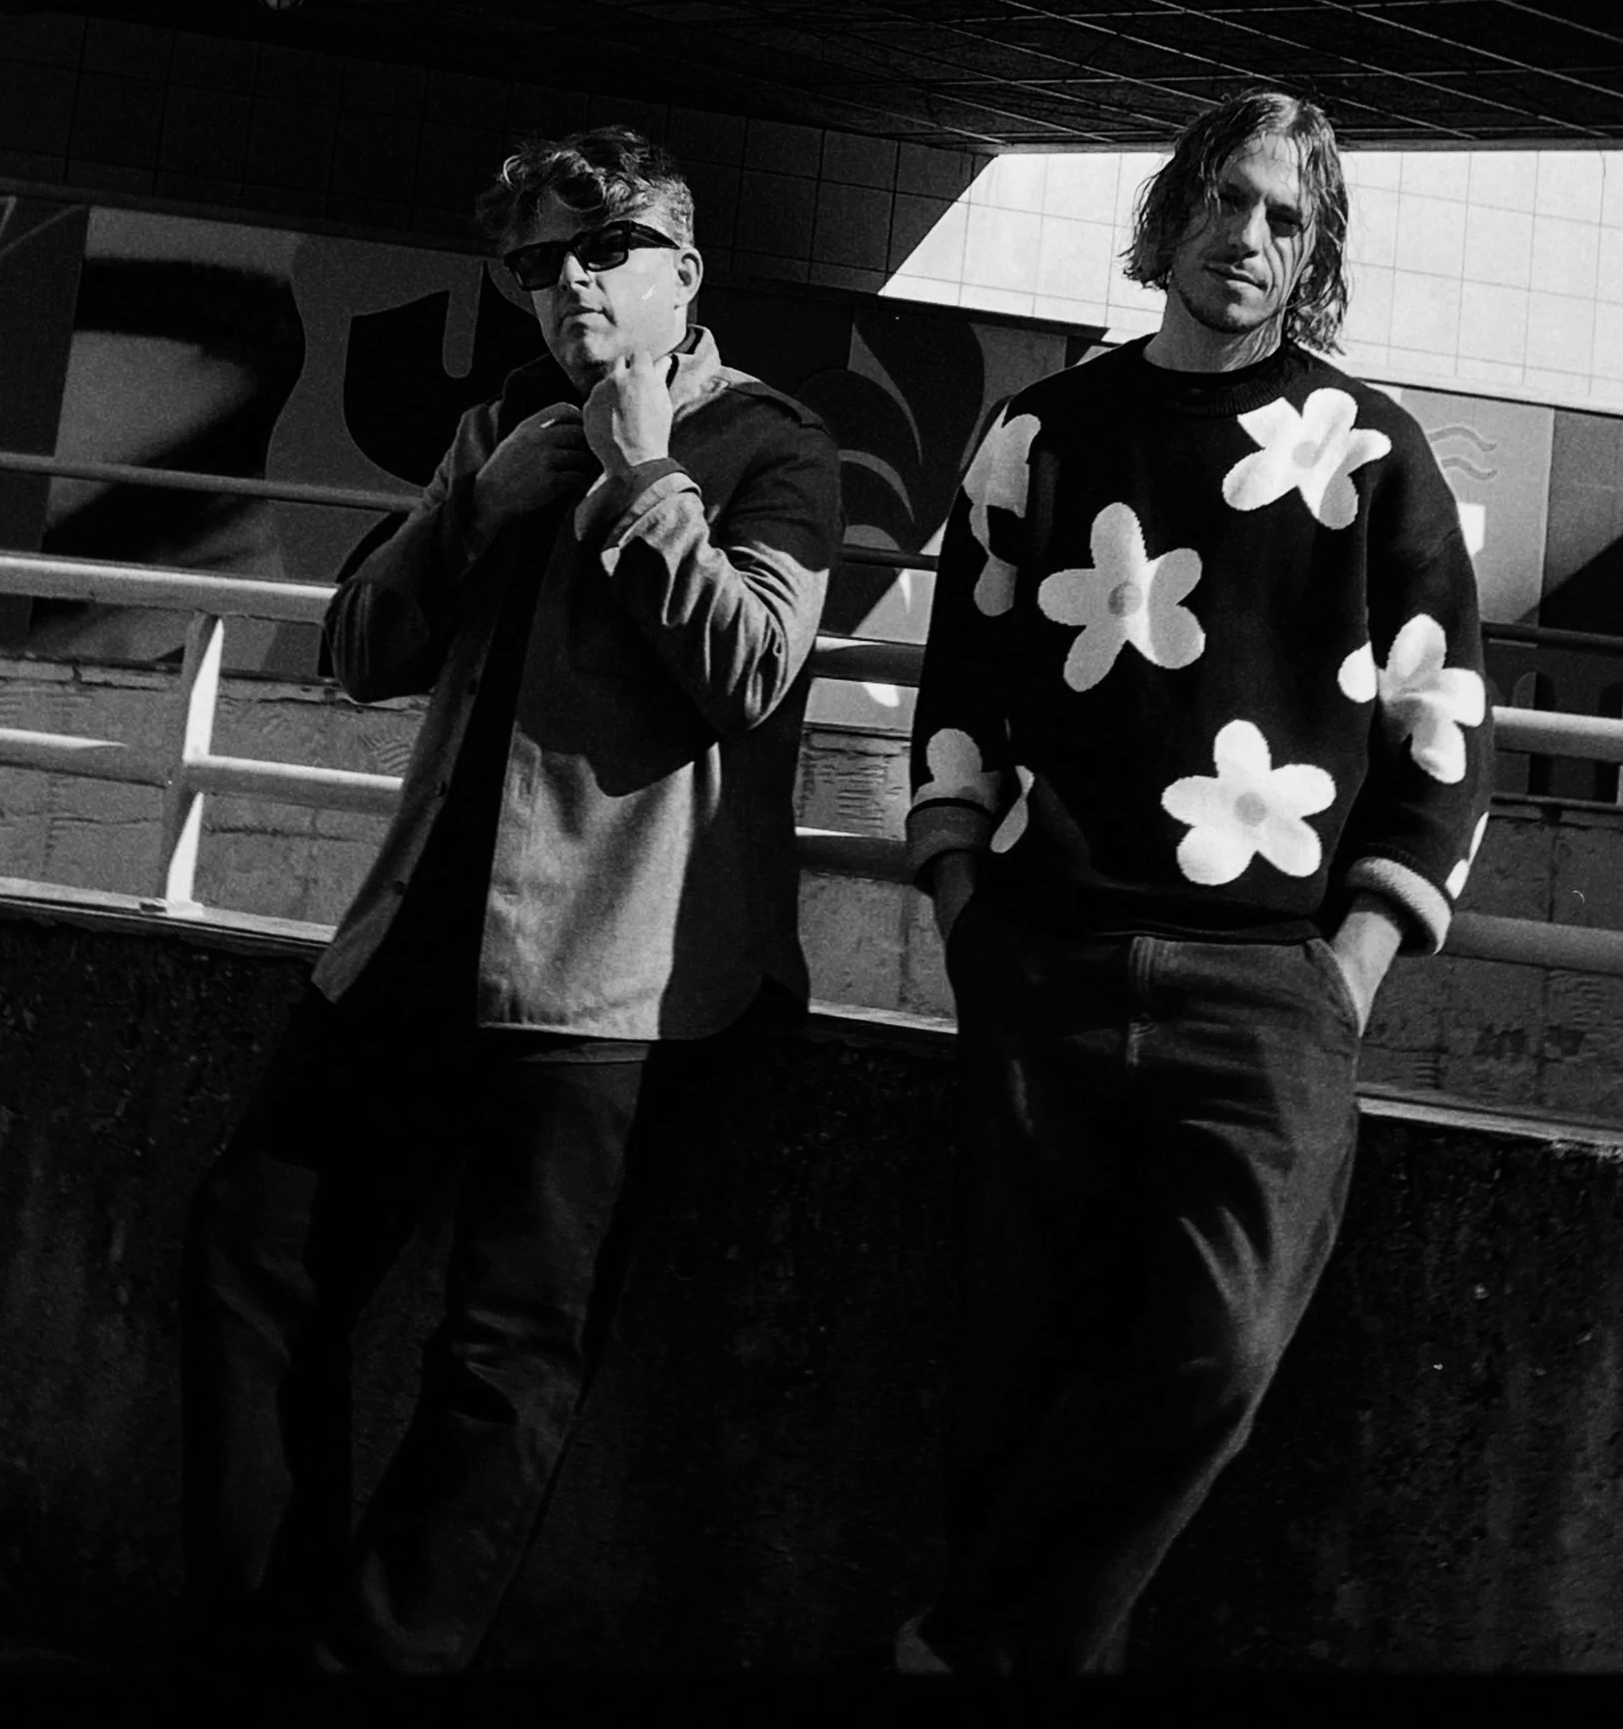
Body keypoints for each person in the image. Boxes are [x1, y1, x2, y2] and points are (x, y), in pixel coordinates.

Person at [181, 122, 843, 1677]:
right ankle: (261, 1655)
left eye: (605, 249)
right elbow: (359, 648)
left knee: (506, 1357)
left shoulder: (774, 445)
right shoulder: (499, 427)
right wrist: (471, 507)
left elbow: (752, 670)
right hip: (419, 945)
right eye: (539, 262)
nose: (569, 285)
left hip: (612, 980)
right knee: (247, 1255)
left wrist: (643, 475)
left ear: (686, 273)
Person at [896, 86, 1491, 1675]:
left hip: (1267, 988)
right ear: (1170, 220)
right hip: (1044, 955)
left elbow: (1442, 723)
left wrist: (1348, 969)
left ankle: (962, 1655)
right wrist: (967, 911)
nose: (1249, 236)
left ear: (1315, 256)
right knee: (1013, 1373)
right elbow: (961, 687)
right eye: (1225, 199)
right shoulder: (1042, 434)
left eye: (1287, 218)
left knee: (1214, 1356)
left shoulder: (1370, 453)